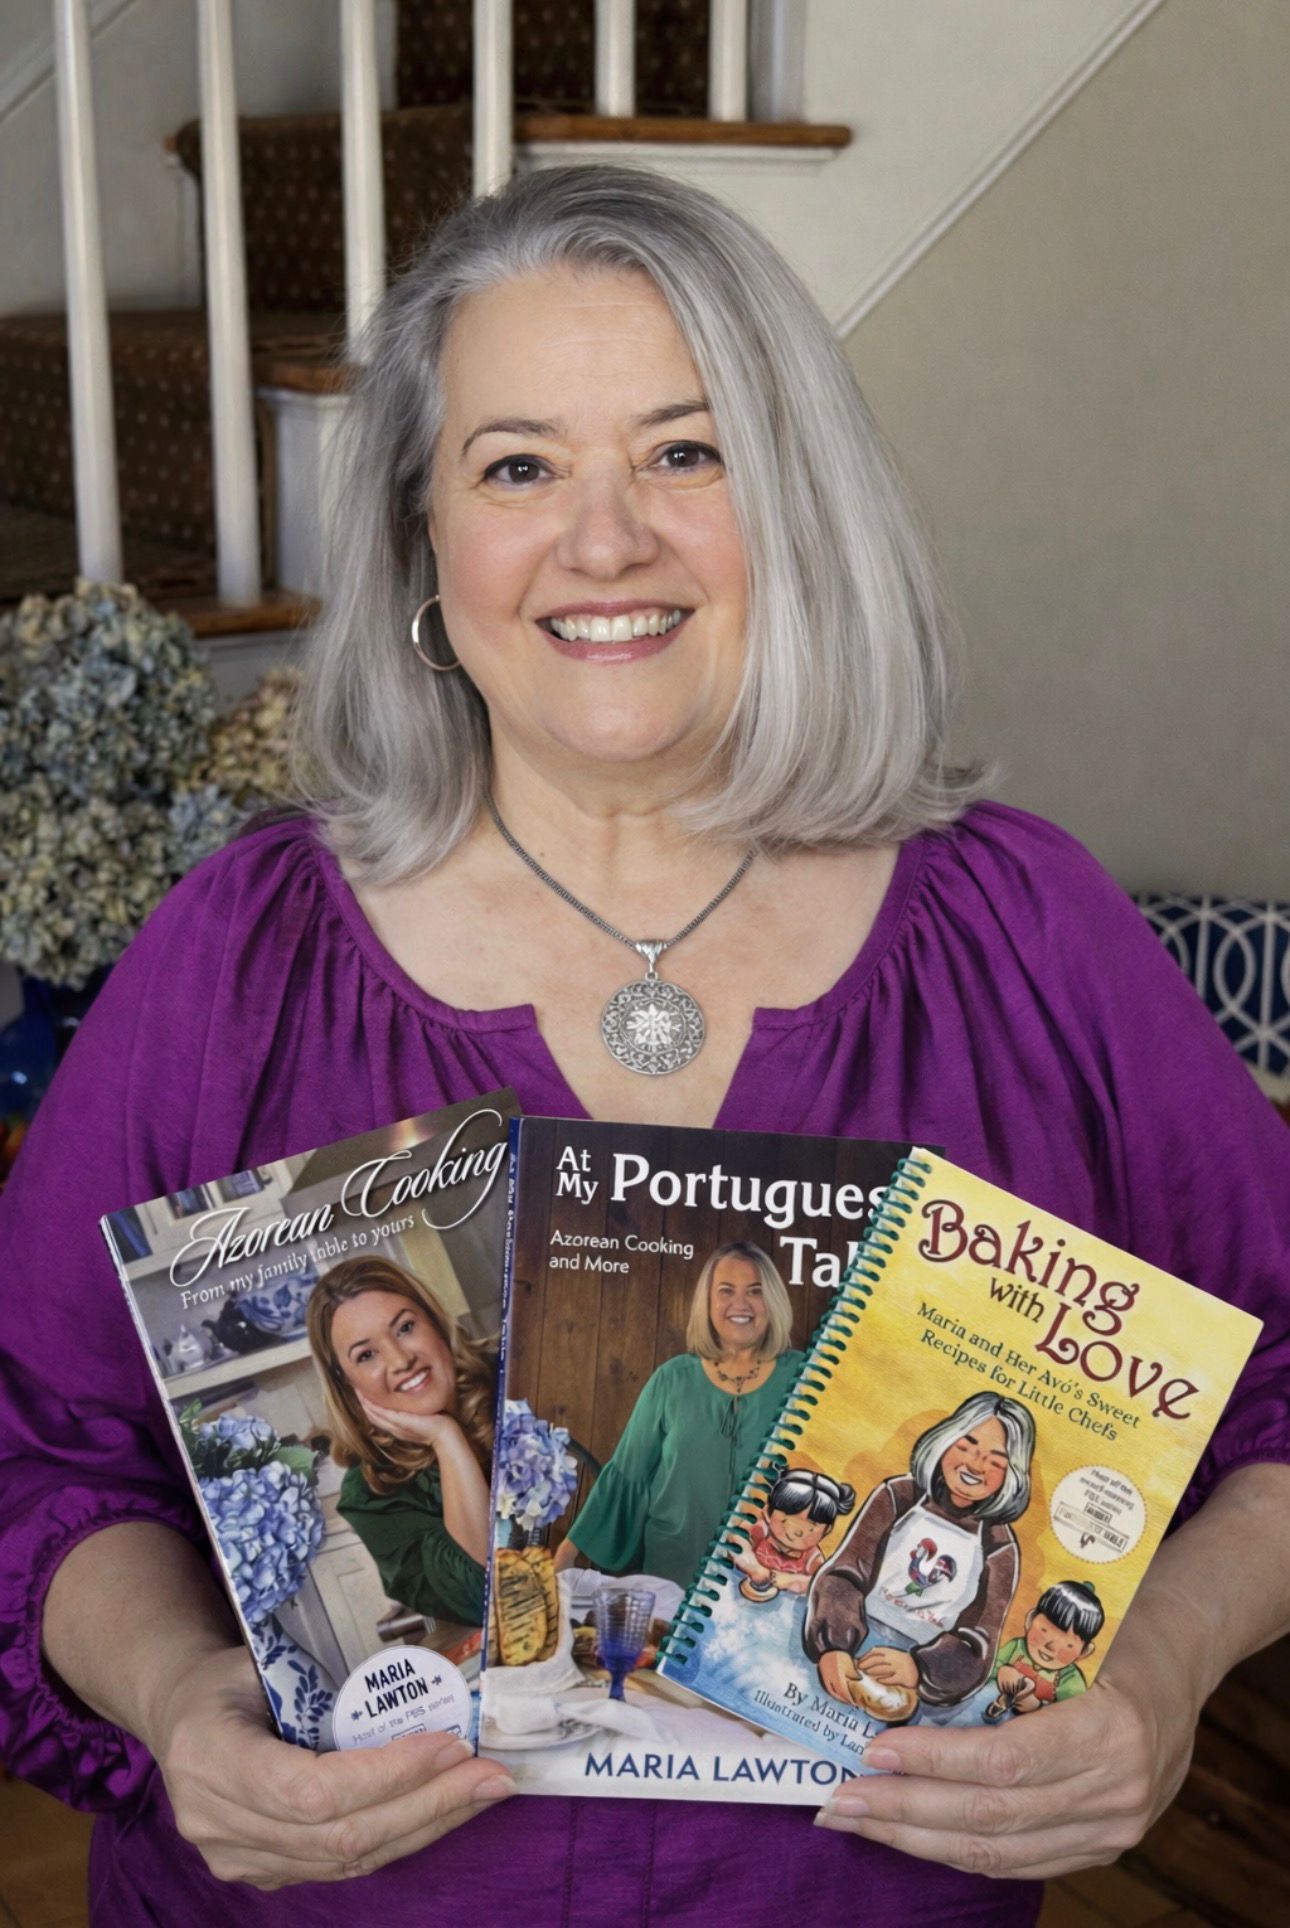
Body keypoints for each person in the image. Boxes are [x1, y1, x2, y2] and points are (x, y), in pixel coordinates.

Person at [0, 162, 1286, 1923]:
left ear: (799, 507)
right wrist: (167, 1691)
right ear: (420, 544)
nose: (606, 541)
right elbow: (42, 1452)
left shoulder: (1026, 936)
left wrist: (1167, 1666)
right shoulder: (237, 961)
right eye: (517, 465)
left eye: (687, 452)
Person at [552, 1241, 803, 1590]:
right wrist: (565, 1556)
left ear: (772, 1301)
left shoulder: (804, 1376)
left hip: (765, 1579)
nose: (740, 1304)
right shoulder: (671, 1379)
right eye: (725, 1291)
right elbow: (627, 1473)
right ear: (708, 1303)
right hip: (672, 1573)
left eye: (755, 1291)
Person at [805, 1393, 1036, 1716]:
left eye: (996, 1461)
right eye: (966, 1445)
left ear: (1012, 1475)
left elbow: (980, 1641)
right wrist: (832, 1646)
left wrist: (920, 1667)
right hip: (852, 1638)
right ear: (945, 1440)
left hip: (925, 1673)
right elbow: (844, 1574)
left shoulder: (999, 1546)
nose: (974, 1465)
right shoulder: (898, 1496)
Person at [306, 1257, 495, 1627]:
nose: (400, 1359)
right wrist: (446, 1438)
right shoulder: (372, 1496)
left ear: (435, 1322)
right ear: (347, 1382)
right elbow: (484, 1595)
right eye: (367, 1355)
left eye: (405, 1327)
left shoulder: (519, 1366)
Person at [983, 1581, 1105, 1721]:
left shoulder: (1070, 1678)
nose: (1051, 1647)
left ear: (1084, 1652)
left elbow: (1071, 1718)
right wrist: (1001, 1673)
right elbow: (983, 1671)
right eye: (1044, 1631)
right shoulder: (1015, 1648)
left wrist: (1037, 1707)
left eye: (1069, 1645)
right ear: (1030, 1620)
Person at [734, 1467, 857, 1601]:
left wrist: (792, 1580)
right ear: (769, 1512)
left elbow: (822, 1583)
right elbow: (735, 1537)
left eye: (812, 1526)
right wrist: (753, 1566)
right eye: (786, 1518)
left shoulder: (812, 1557)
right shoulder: (763, 1530)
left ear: (826, 1530)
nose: (797, 1531)